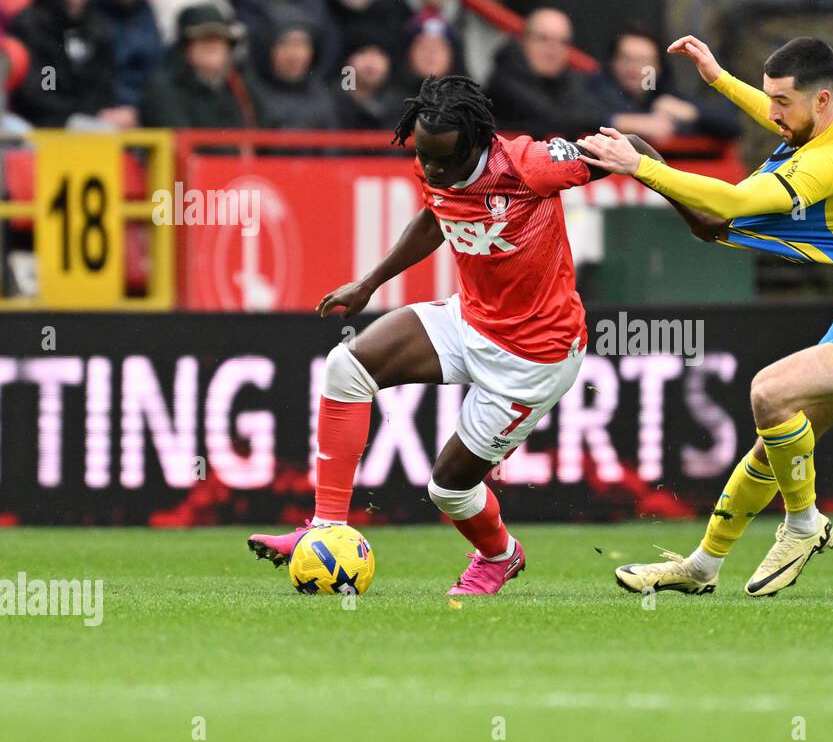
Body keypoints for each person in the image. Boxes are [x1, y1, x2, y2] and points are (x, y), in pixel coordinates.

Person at [245, 76, 665, 595]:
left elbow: (633, 148)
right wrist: (370, 283)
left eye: (444, 159)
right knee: (345, 367)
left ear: (478, 145)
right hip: (469, 320)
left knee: (447, 489)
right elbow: (434, 216)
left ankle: (499, 555)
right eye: (424, 156)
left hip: (534, 357)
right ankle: (326, 527)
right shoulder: (435, 162)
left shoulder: (529, 165)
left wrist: (689, 199)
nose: (433, 169)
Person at [580, 36, 833, 597]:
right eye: (769, 98)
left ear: (822, 100)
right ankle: (702, 566)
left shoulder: (831, 162)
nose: (773, 113)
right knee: (777, 440)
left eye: (783, 100)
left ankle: (804, 525)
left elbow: (728, 205)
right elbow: (787, 122)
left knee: (768, 393)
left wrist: (640, 166)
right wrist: (719, 80)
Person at [9, 0, 120, 127]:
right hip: (39, 125)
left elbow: (104, 88)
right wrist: (78, 115)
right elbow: (40, 91)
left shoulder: (99, 28)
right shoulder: (32, 24)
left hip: (87, 121)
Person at [589, 25, 739, 141]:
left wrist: (692, 113)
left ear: (658, 67)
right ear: (613, 62)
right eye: (626, 59)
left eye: (643, 61)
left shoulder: (662, 92)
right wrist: (622, 122)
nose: (634, 67)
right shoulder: (593, 88)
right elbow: (572, 113)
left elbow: (732, 124)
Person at [485, 7, 606, 140]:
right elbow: (553, 118)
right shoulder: (504, 80)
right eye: (543, 39)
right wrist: (613, 121)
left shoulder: (572, 79)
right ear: (523, 40)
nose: (553, 50)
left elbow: (591, 112)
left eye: (562, 42)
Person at [138, 3, 255, 128]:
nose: (212, 44)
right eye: (203, 37)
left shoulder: (240, 88)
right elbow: (179, 139)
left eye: (220, 38)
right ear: (184, 47)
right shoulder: (163, 90)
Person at [90, 0, 162, 116]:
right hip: (99, 113)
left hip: (141, 113)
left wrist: (141, 111)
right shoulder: (90, 11)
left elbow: (155, 71)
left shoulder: (147, 13)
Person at [247, 3, 338, 129]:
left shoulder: (323, 96)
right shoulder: (247, 94)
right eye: (284, 43)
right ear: (266, 48)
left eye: (302, 44)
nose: (294, 54)